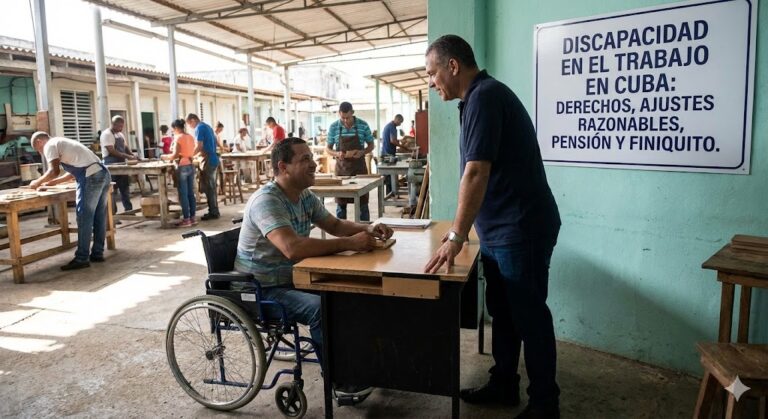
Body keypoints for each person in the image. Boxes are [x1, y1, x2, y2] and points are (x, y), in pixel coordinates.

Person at [423, 35, 562, 419]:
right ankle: (504, 383)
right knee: (503, 312)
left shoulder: (485, 97)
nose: (432, 83)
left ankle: (545, 405)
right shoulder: (474, 100)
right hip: (501, 230)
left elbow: (476, 171)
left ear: (453, 66)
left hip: (521, 229)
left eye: (433, 73)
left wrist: (455, 236)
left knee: (530, 317)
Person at [234, 137, 392, 401]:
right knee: (320, 309)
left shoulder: (303, 195)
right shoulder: (267, 201)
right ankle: (341, 382)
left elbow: (335, 225)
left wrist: (368, 227)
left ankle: (360, 363)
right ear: (283, 167)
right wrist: (349, 244)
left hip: (294, 277)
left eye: (311, 157)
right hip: (262, 288)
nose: (314, 164)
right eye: (304, 159)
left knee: (351, 293)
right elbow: (292, 248)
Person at [29, 132, 111, 270]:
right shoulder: (62, 142)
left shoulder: (49, 145)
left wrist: (36, 182)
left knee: (84, 217)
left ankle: (82, 258)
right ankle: (97, 253)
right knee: (98, 216)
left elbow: (53, 171)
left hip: (91, 177)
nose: (40, 152)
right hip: (103, 174)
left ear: (39, 141)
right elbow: (74, 171)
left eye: (37, 149)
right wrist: (54, 183)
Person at [326, 102, 374, 220]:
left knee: (362, 203)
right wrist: (337, 153)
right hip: (342, 170)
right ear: (339, 114)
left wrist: (362, 152)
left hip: (359, 169)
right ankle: (342, 235)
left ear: (352, 113)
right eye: (343, 118)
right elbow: (328, 149)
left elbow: (372, 145)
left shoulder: (363, 125)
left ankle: (365, 231)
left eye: (348, 117)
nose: (346, 121)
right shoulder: (334, 127)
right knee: (341, 204)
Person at [162, 119, 197, 227]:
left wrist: (165, 157)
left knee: (183, 194)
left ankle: (186, 219)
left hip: (181, 166)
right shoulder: (190, 137)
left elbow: (175, 155)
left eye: (173, 129)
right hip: (190, 165)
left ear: (176, 128)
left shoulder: (178, 138)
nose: (173, 132)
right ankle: (192, 217)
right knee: (191, 193)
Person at [186, 113, 220, 220]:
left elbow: (199, 146)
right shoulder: (208, 126)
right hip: (213, 157)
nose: (190, 127)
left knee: (209, 187)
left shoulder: (199, 128)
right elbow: (214, 142)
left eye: (189, 124)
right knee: (211, 187)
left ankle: (213, 212)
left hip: (208, 159)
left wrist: (189, 156)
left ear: (193, 120)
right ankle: (214, 209)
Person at [100, 115, 135, 214]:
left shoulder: (120, 135)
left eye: (122, 126)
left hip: (122, 163)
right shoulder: (106, 134)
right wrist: (128, 156)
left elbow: (125, 147)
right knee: (111, 190)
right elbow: (111, 151)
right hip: (111, 164)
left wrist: (132, 155)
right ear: (113, 124)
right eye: (119, 126)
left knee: (125, 188)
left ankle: (129, 210)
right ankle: (113, 215)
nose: (121, 128)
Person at [380, 114, 405, 196]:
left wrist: (399, 141)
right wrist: (403, 147)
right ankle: (391, 195)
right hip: (388, 154)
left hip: (386, 152)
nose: (400, 124)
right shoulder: (392, 127)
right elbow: (392, 141)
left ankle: (390, 194)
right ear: (397, 120)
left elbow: (393, 139)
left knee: (390, 176)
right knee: (390, 176)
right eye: (400, 122)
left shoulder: (389, 126)